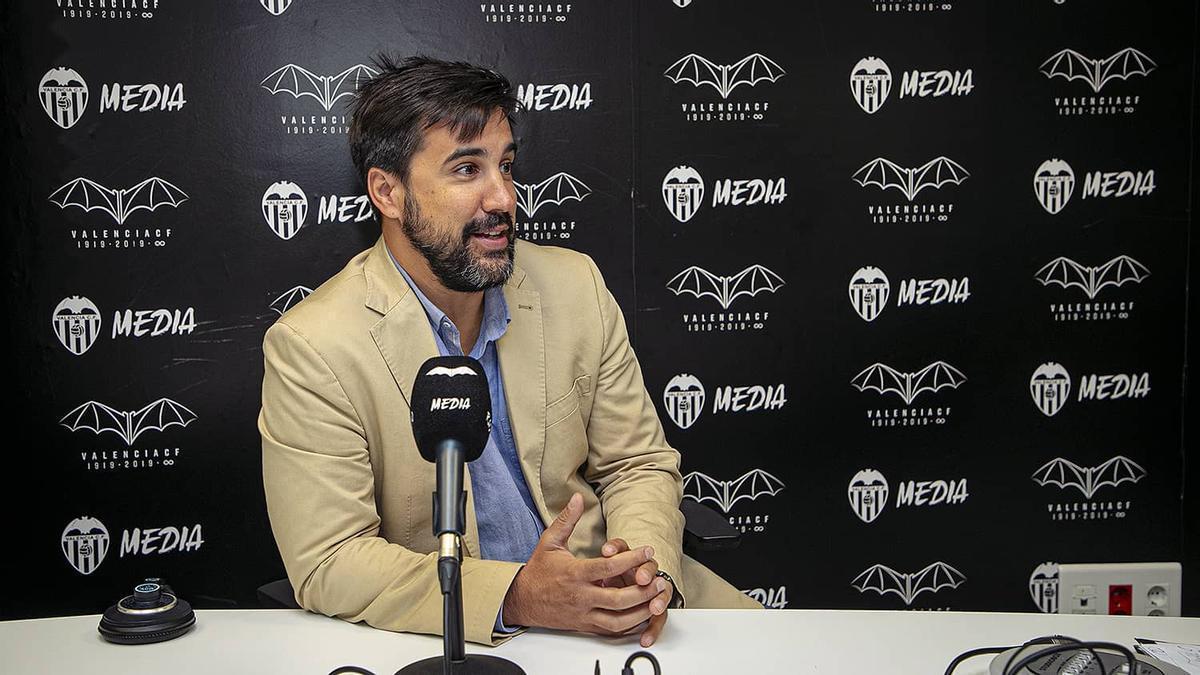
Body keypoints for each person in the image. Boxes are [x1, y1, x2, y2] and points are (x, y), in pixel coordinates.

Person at [258, 55, 759, 649]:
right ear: (388, 192)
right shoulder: (313, 346)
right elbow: (330, 561)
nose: (503, 197)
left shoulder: (576, 285)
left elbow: (638, 464)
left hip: (631, 617)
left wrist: (640, 570)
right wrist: (519, 594)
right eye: (467, 169)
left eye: (506, 166)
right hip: (458, 632)